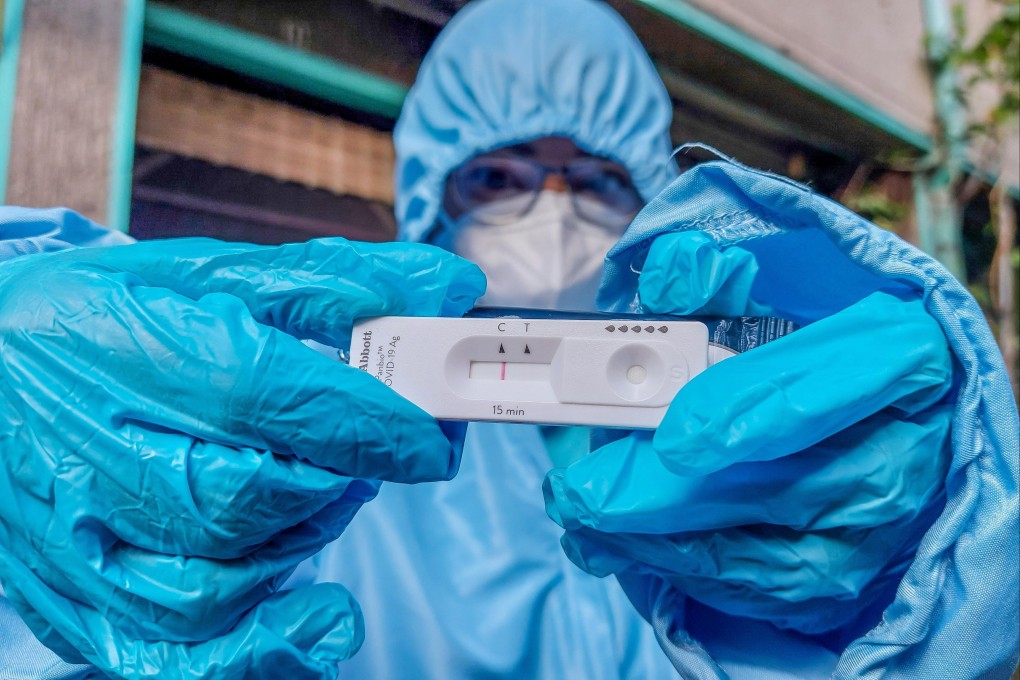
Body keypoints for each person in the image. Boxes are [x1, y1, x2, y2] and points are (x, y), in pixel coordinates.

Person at [0, 2, 1016, 680]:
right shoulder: (327, 463)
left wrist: (921, 568)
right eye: (498, 176)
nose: (552, 210)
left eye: (599, 177)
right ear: (423, 205)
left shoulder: (747, 444)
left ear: (655, 201)